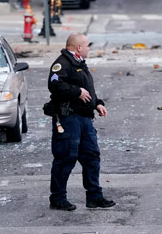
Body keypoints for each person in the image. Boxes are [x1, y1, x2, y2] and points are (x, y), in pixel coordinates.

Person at [47, 32, 115, 211]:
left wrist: (97, 104)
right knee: (65, 157)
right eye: (87, 46)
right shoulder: (62, 63)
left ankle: (94, 197)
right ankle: (58, 198)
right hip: (69, 119)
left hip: (85, 120)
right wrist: (76, 91)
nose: (89, 49)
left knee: (92, 157)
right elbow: (55, 85)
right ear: (78, 47)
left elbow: (88, 90)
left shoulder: (79, 64)